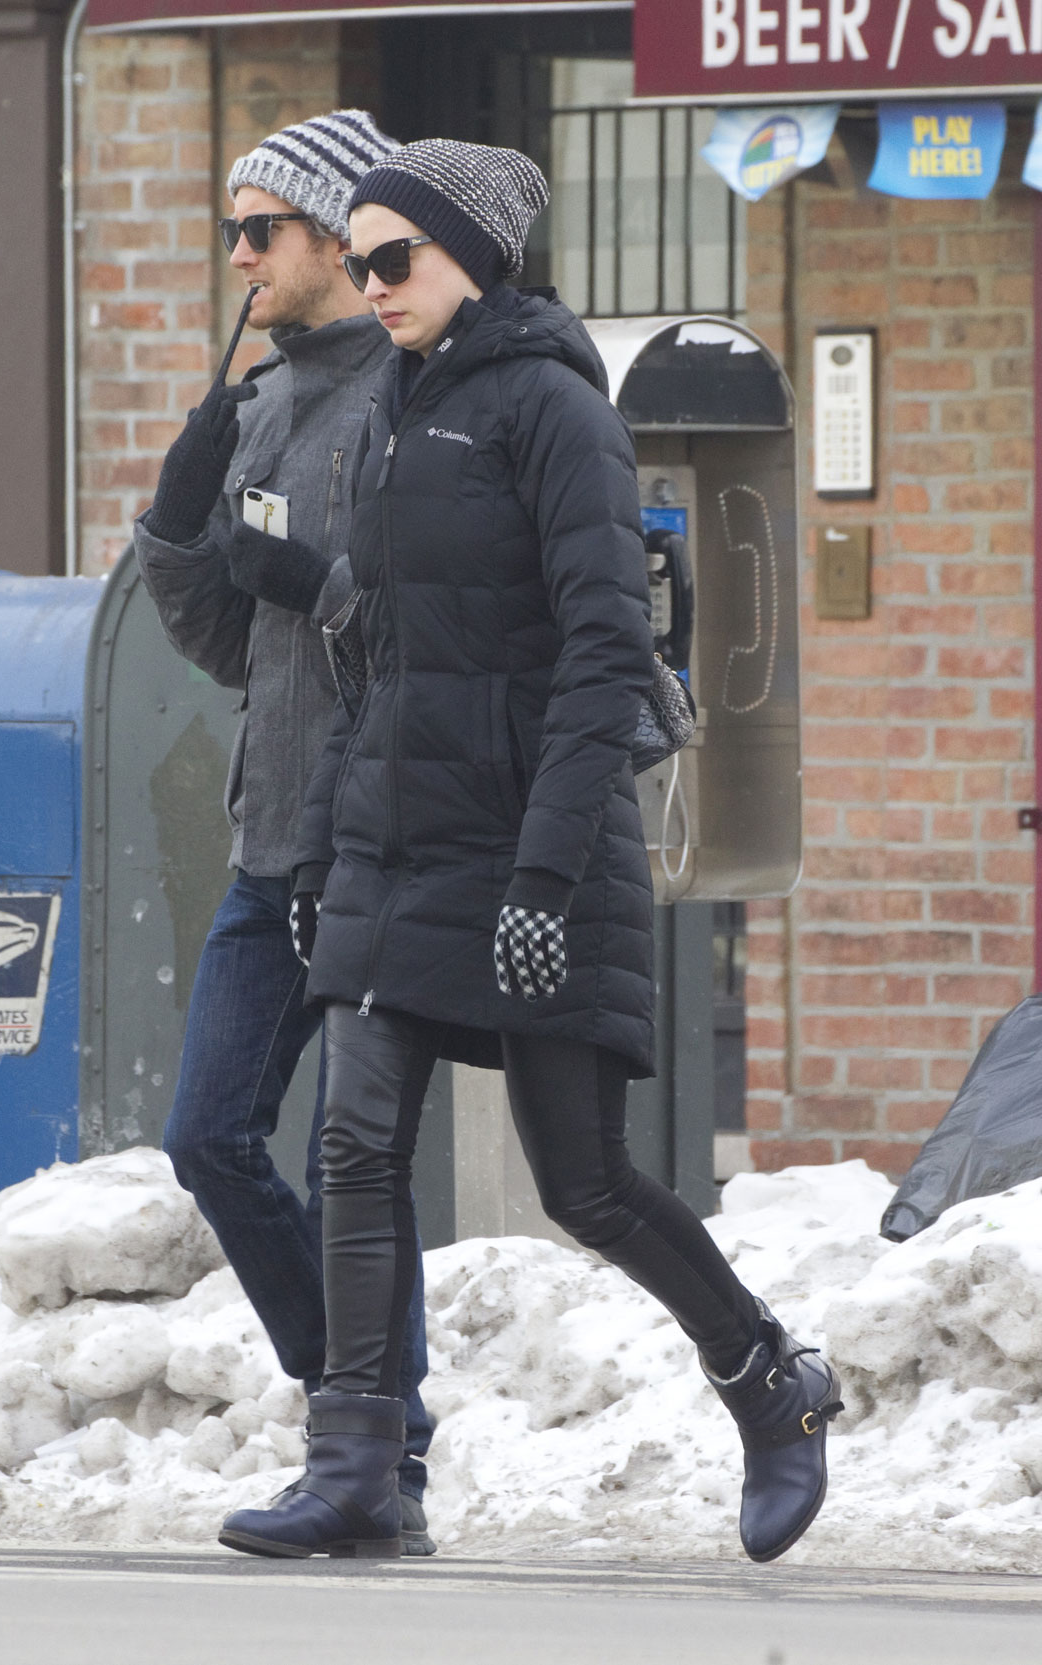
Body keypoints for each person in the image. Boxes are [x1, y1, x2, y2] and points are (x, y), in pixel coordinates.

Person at [218, 139, 844, 1565]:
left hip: (526, 845)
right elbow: (373, 652)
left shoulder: (557, 413)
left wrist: (549, 876)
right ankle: (361, 1458)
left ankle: (772, 1382)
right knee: (357, 1141)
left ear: (473, 258)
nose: (373, 286)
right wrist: (322, 850)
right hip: (391, 839)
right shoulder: (390, 402)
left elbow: (606, 656)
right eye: (360, 259)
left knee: (587, 1183)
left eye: (396, 259)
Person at [130, 110, 436, 1553]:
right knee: (210, 1132)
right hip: (272, 840)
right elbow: (223, 645)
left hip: (375, 834)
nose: (240, 254)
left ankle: (376, 1458)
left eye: (264, 229)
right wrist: (180, 526)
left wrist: (312, 578)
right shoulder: (261, 402)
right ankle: (365, 1411)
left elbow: (424, 631)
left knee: (349, 1156)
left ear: (331, 236)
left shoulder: (406, 398)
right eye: (233, 231)